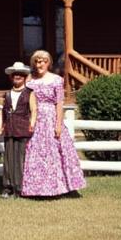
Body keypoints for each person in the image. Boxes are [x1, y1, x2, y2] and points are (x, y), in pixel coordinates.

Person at [20, 49, 86, 197]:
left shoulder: (56, 80)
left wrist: (58, 124)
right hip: (35, 118)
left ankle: (59, 187)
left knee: (55, 152)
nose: (40, 64)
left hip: (51, 118)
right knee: (37, 152)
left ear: (48, 63)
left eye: (43, 61)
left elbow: (59, 103)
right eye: (37, 62)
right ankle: (36, 189)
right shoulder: (30, 80)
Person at [0, 61, 34, 198]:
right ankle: (7, 187)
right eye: (15, 74)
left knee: (20, 159)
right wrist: (0, 126)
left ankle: (19, 187)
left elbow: (34, 111)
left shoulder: (30, 93)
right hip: (10, 129)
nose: (17, 76)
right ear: (11, 77)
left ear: (25, 77)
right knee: (8, 159)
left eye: (20, 74)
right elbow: (2, 112)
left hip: (23, 129)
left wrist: (32, 124)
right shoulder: (7, 94)